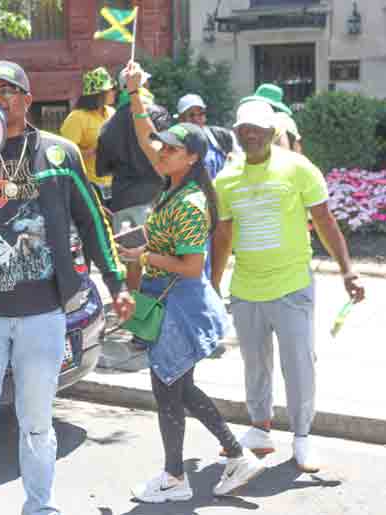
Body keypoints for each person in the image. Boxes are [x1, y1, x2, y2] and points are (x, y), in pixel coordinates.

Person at [0, 60, 135, 515]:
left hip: (43, 314)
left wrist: (116, 282)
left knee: (37, 425)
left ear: (27, 99)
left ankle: (40, 506)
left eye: (6, 90)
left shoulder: (60, 153)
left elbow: (93, 221)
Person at [119, 62, 265, 503]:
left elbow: (189, 264)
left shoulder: (188, 202)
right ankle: (217, 462)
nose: (160, 152)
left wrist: (141, 254)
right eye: (163, 148)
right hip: (171, 300)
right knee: (177, 389)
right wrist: (134, 94)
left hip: (178, 302)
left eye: (170, 149)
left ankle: (177, 477)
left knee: (169, 391)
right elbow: (146, 139)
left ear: (192, 157)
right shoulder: (174, 183)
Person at [211, 99, 366, 474]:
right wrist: (212, 285)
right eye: (244, 128)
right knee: (254, 364)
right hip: (246, 288)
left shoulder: (298, 169)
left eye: (258, 129)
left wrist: (348, 271)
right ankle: (261, 429)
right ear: (236, 132)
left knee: (298, 364)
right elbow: (223, 234)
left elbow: (325, 221)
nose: (251, 134)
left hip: (292, 286)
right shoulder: (225, 179)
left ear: (271, 132)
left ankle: (302, 437)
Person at [96, 65, 171, 230]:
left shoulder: (107, 126)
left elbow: (101, 169)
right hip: (156, 201)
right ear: (142, 85)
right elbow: (169, 155)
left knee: (127, 255)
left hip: (122, 204)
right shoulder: (158, 113)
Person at [60, 67, 116, 190]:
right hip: (88, 185)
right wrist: (93, 152)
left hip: (113, 182)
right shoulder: (76, 118)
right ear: (98, 94)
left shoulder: (112, 113)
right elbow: (64, 155)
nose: (114, 92)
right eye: (111, 89)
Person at [175, 93, 235, 179]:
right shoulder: (174, 143)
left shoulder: (221, 136)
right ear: (181, 119)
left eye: (200, 114)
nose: (196, 119)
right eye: (191, 115)